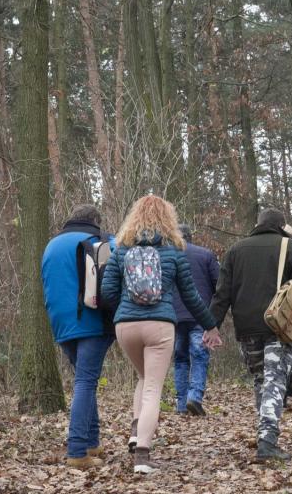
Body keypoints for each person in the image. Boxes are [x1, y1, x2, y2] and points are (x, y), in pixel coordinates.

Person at [101, 195, 221, 475]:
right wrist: (210, 325)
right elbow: (191, 296)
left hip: (126, 326)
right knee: (153, 387)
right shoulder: (174, 251)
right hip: (160, 325)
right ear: (168, 219)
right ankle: (142, 456)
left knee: (144, 378)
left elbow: (107, 292)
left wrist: (126, 309)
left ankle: (135, 430)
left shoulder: (121, 250)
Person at [209, 207, 292, 461]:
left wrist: (211, 324)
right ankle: (267, 441)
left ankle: (264, 434)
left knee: (261, 379)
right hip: (277, 325)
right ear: (281, 226)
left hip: (246, 326)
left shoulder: (236, 250)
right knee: (275, 381)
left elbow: (222, 292)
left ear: (258, 224)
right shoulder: (290, 247)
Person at [41, 203, 115, 469]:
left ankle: (91, 442)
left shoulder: (51, 246)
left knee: (85, 380)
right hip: (92, 321)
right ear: (95, 221)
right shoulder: (101, 241)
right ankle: (76, 451)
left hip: (61, 323)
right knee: (85, 382)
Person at [173, 224, 220, 416]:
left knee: (180, 359)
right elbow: (219, 285)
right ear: (190, 236)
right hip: (200, 314)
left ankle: (181, 404)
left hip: (174, 316)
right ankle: (195, 397)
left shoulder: (168, 255)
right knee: (199, 356)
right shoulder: (206, 255)